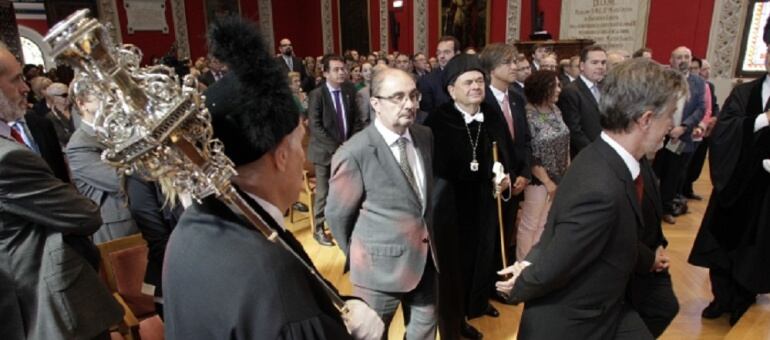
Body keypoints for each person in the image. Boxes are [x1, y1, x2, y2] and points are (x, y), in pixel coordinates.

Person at [163, 17, 383, 339]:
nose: (301, 155)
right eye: (297, 143)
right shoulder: (273, 278)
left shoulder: (193, 225)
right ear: (281, 156)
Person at [496, 58, 687, 339]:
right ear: (646, 119)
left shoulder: (602, 157)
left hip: (606, 310)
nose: (671, 125)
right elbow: (560, 259)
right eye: (669, 115)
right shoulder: (602, 186)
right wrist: (521, 283)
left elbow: (573, 232)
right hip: (577, 325)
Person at [0, 41, 123, 340]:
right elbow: (85, 214)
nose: (26, 88)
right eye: (16, 79)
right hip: (49, 305)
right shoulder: (8, 158)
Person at [327, 67, 438, 339]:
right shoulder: (354, 152)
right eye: (398, 97)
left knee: (424, 330)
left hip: (424, 261)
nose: (409, 104)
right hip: (377, 274)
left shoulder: (425, 136)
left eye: (413, 95)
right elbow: (337, 216)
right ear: (375, 103)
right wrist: (363, 254)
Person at [425, 54, 516, 340]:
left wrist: (505, 174)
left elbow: (505, 150)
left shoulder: (490, 113)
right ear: (452, 89)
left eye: (480, 81)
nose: (476, 86)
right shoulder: (439, 120)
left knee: (484, 255)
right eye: (469, 82)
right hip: (452, 204)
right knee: (455, 264)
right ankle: (456, 318)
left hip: (486, 201)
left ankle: (477, 303)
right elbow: (437, 166)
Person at [689, 43, 770, 326]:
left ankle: (743, 300)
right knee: (722, 242)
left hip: (766, 191)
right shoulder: (744, 92)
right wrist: (760, 120)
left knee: (756, 247)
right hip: (736, 182)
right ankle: (721, 297)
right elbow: (724, 130)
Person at [66, 75, 140, 244]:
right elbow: (120, 180)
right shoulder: (79, 145)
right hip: (119, 226)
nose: (111, 101)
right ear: (82, 103)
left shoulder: (122, 128)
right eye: (102, 96)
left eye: (112, 95)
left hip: (144, 213)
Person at [479, 43, 533, 261]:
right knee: (489, 238)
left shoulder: (518, 98)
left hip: (516, 182)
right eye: (508, 62)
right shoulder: (481, 102)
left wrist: (525, 173)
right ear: (491, 69)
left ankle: (502, 278)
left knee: (507, 233)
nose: (515, 67)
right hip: (493, 183)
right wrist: (503, 176)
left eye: (515, 61)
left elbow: (525, 140)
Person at [307, 54, 367, 246]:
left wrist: (350, 145)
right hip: (324, 153)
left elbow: (356, 120)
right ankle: (318, 229)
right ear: (325, 73)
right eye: (336, 69)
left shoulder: (349, 90)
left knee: (349, 190)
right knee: (324, 193)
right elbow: (315, 127)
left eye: (343, 69)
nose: (342, 72)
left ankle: (346, 225)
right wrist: (338, 147)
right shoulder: (317, 95)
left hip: (347, 150)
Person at [515, 70, 569, 261]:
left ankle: (536, 264)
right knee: (530, 224)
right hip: (539, 180)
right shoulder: (528, 114)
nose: (559, 90)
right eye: (555, 86)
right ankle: (521, 269)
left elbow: (565, 141)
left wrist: (565, 174)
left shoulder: (556, 110)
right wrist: (547, 182)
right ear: (542, 88)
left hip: (558, 177)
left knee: (545, 224)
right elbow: (531, 152)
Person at [557, 45, 607, 158]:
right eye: (594, 63)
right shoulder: (571, 92)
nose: (600, 67)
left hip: (605, 151)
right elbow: (574, 130)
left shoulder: (604, 88)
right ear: (582, 66)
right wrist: (594, 153)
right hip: (585, 155)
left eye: (603, 63)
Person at [418, 36, 461, 113]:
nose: (441, 56)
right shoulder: (427, 81)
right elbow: (427, 115)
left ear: (457, 54)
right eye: (439, 52)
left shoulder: (466, 76)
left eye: (446, 52)